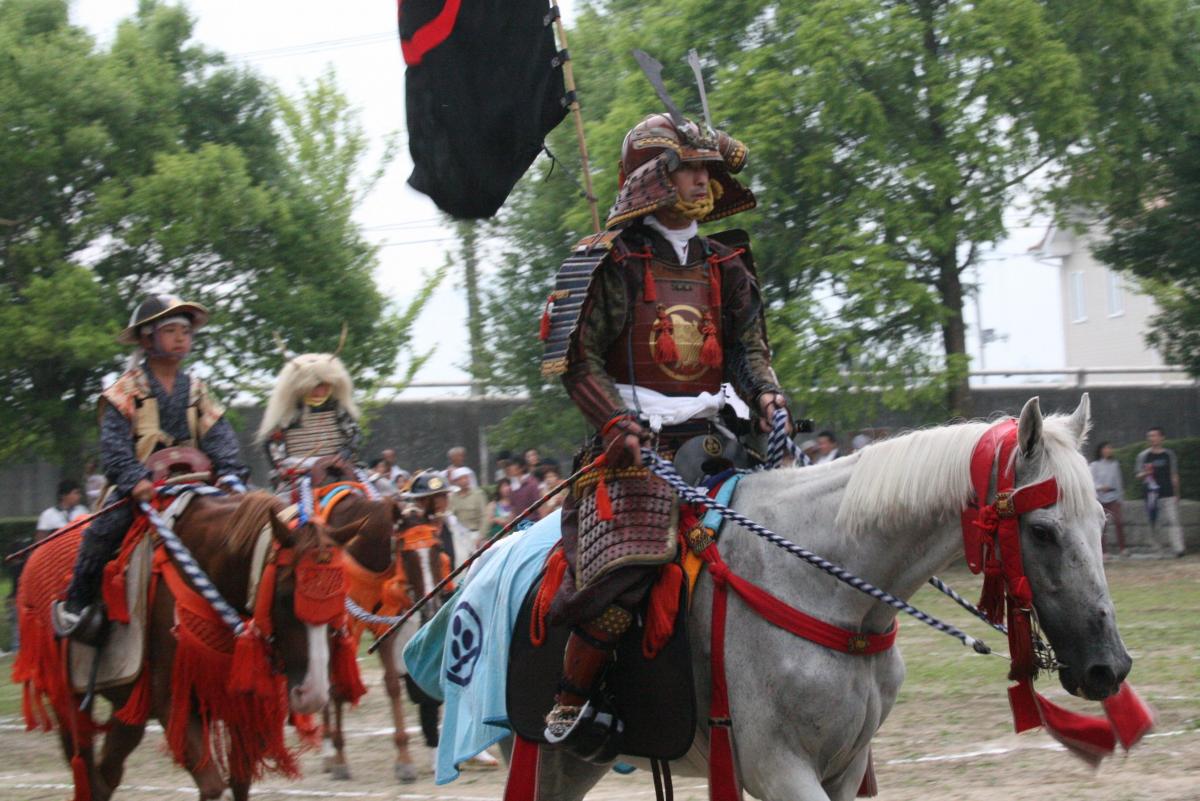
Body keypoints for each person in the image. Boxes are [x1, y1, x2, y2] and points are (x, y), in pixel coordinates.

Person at [538, 112, 789, 745]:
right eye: (689, 168)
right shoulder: (613, 261)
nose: (702, 181)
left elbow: (746, 352)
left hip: (717, 437)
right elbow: (576, 361)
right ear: (654, 178)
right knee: (629, 572)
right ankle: (571, 702)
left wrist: (767, 397)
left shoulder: (725, 261)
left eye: (707, 169)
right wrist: (615, 422)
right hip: (634, 446)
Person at [53, 296, 249, 641]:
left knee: (252, 517)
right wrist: (134, 479)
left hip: (199, 486)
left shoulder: (198, 389)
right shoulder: (123, 391)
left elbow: (219, 435)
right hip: (142, 488)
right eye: (170, 330)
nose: (180, 338)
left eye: (185, 332)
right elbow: (113, 449)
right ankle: (78, 605)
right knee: (102, 531)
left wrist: (230, 472)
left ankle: (253, 603)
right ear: (146, 339)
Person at [257, 350, 361, 486]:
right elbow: (272, 444)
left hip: (338, 468)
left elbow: (353, 434)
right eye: (315, 387)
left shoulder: (338, 408)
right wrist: (281, 467)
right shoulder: (288, 412)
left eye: (324, 386)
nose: (319, 392)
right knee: (283, 503)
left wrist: (345, 453)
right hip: (298, 472)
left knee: (377, 489)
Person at [1135, 427, 1185, 558]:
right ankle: (1158, 550)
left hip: (1168, 493)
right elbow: (1138, 475)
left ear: (1162, 437)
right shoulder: (1143, 456)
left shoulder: (1169, 455)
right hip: (1151, 495)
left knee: (1173, 521)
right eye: (1150, 436)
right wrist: (1146, 473)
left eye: (1155, 435)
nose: (1152, 438)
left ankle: (1178, 548)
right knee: (1154, 523)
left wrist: (1177, 493)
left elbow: (1174, 474)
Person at [1089, 442, 1126, 557]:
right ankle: (1104, 551)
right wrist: (1100, 487)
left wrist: (1121, 498)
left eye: (1110, 448)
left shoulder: (1114, 464)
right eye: (1106, 448)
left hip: (1113, 496)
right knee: (1103, 525)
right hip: (1100, 498)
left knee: (1119, 522)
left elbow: (1118, 481)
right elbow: (1090, 482)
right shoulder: (1094, 465)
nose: (1108, 450)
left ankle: (1123, 549)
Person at [448, 466, 489, 546]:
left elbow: (485, 516)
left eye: (466, 478)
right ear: (456, 481)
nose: (464, 481)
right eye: (461, 479)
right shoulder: (453, 497)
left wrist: (481, 536)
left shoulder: (478, 494)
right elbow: (450, 514)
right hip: (459, 536)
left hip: (475, 534)